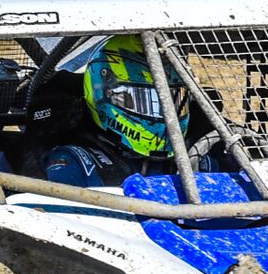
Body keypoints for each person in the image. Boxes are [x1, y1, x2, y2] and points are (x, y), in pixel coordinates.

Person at [42, 35, 188, 189]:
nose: (161, 111)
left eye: (172, 100)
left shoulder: (191, 154)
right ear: (102, 95)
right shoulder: (75, 163)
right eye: (140, 100)